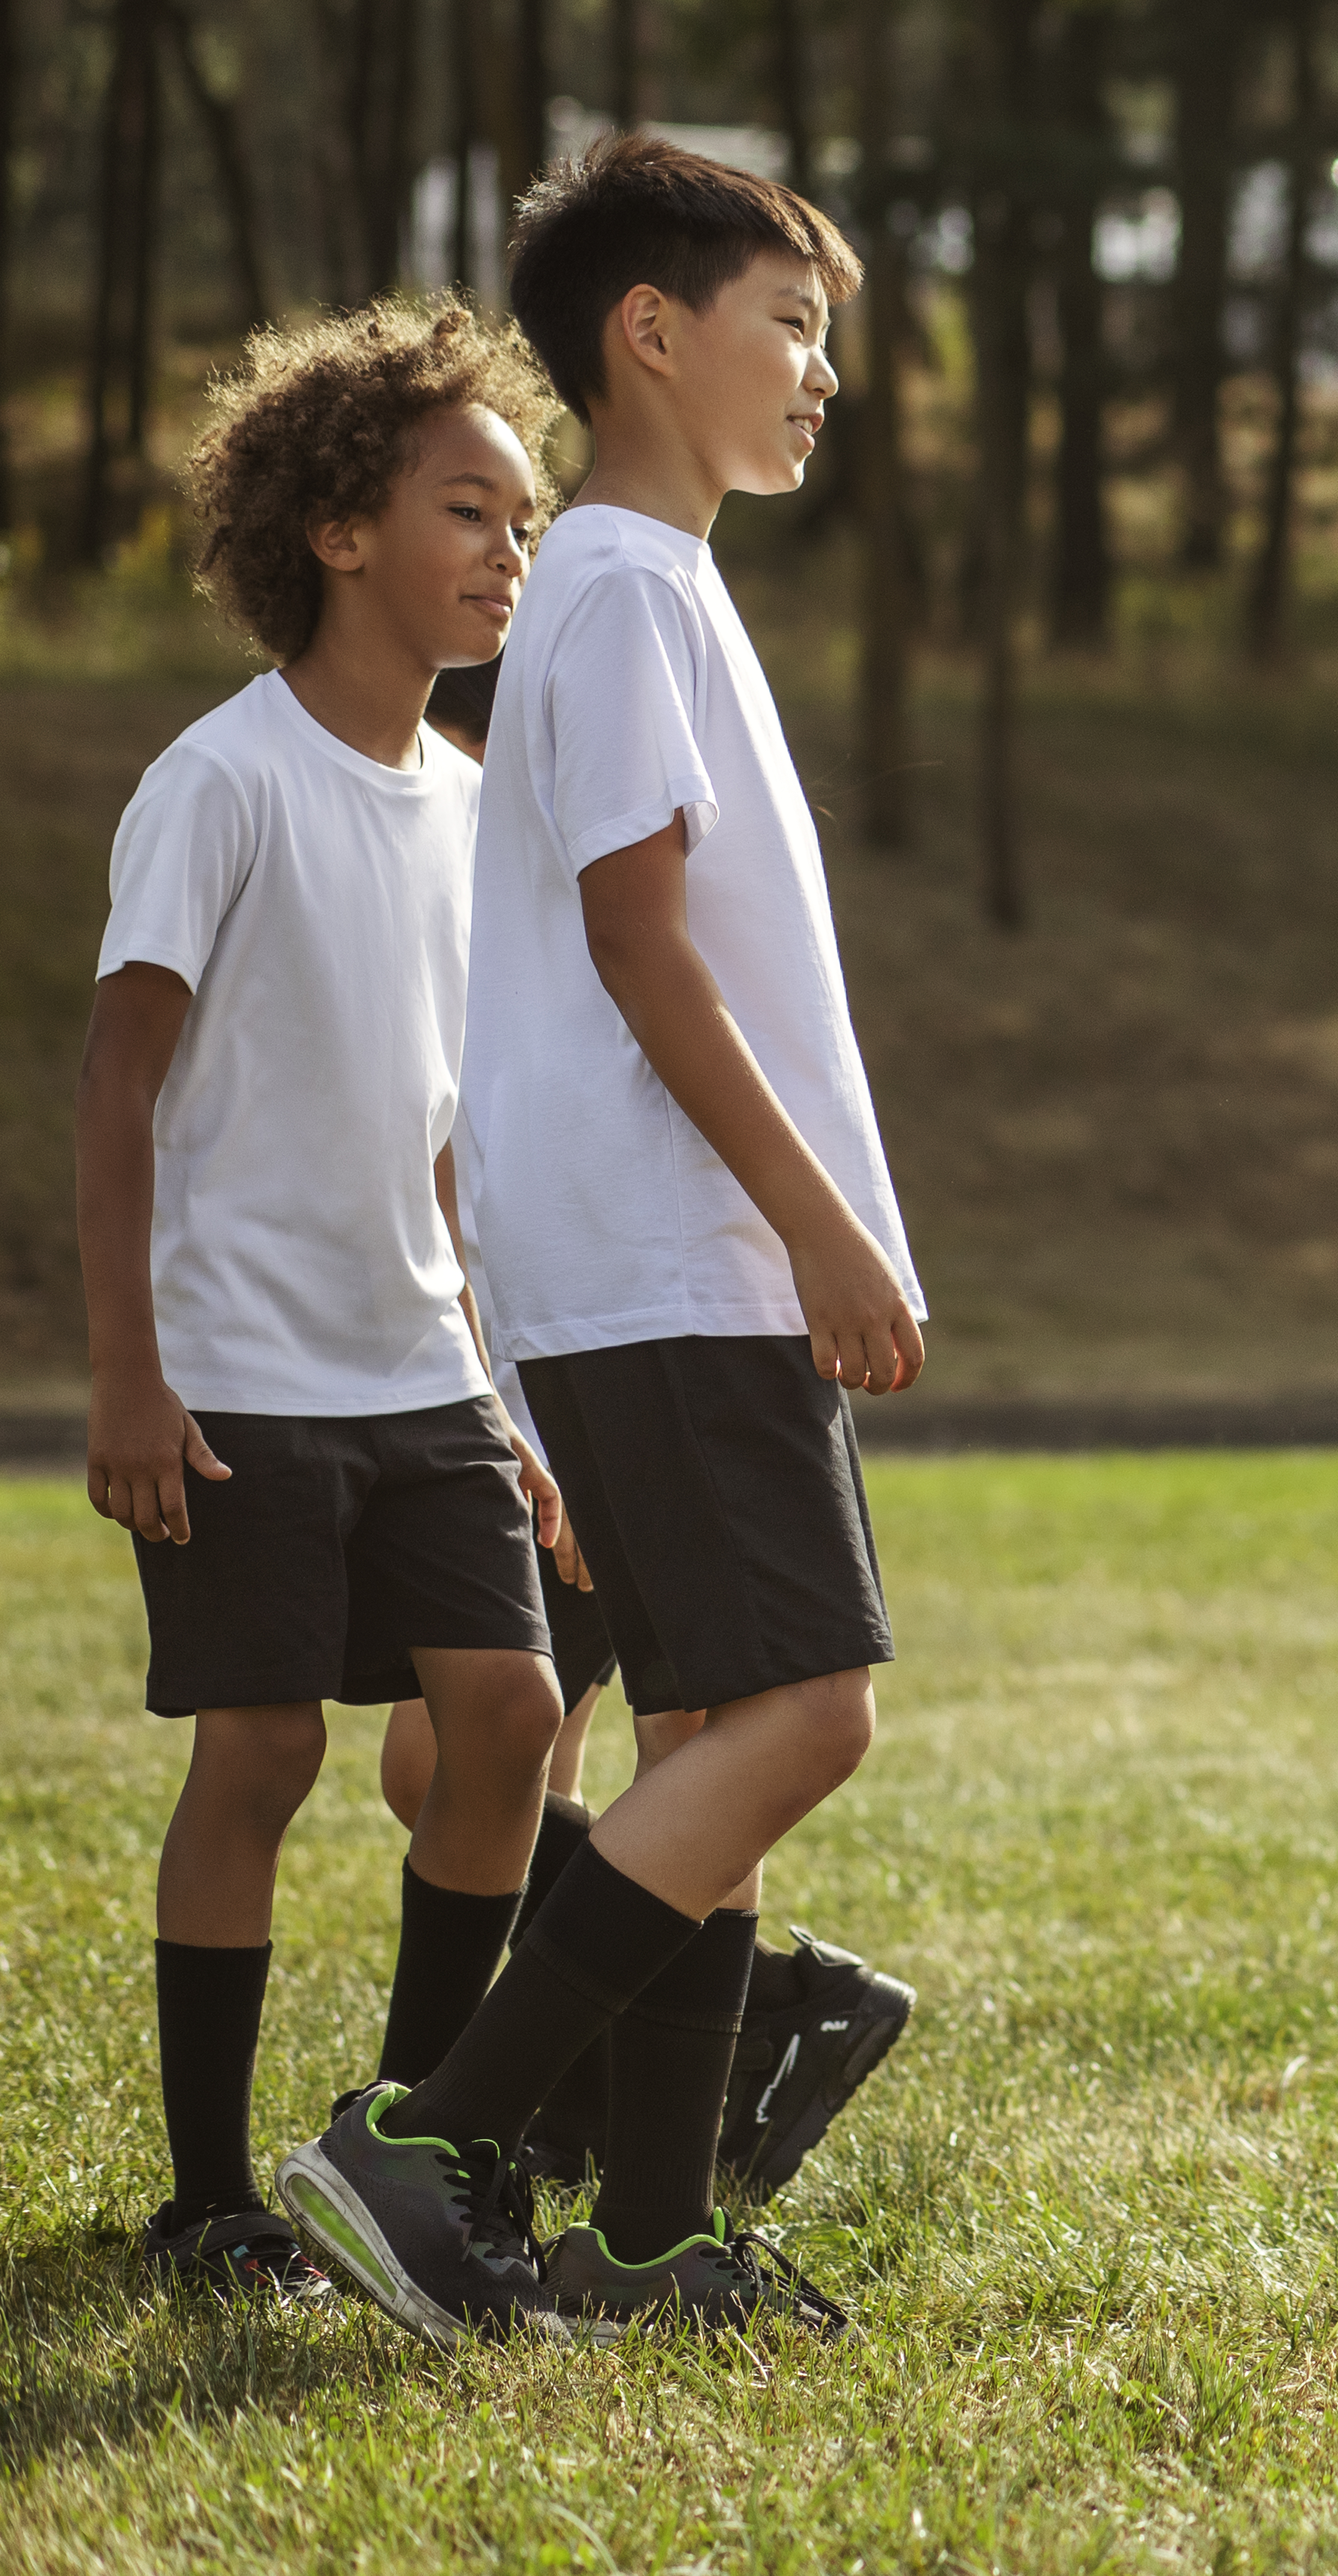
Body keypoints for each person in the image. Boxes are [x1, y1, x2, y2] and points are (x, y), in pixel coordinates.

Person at [280, 132, 923, 2344]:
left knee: (717, 1740)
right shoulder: (634, 584)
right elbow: (647, 946)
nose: (826, 372)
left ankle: (655, 2237)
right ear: (653, 333)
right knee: (812, 1713)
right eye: (795, 324)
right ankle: (433, 2133)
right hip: (679, 1258)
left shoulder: (629, 588)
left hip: (635, 1262)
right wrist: (823, 1231)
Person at [80, 301, 571, 2302]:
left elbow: (451, 1140)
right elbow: (115, 1080)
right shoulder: (222, 781)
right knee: (265, 1751)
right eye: (470, 508)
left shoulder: (470, 808)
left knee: (513, 1713)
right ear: (340, 527)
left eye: (526, 525)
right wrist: (127, 1370)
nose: (507, 555)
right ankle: (207, 2199)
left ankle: (405, 2139)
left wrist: (509, 1394)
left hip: (419, 1363)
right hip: (241, 1372)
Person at [382, 658, 919, 2213]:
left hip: (606, 1360)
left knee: (560, 1746)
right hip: (547, 1360)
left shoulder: (533, 801)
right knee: (490, 1755)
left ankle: (531, 2123)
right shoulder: (425, 819)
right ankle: (616, 2126)